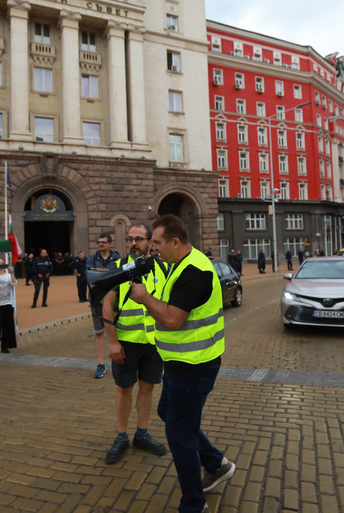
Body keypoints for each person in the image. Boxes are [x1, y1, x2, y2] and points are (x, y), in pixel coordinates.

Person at [128, 214, 235, 513]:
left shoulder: (193, 271)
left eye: (158, 243)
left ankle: (193, 504)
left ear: (175, 241)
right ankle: (217, 463)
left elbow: (174, 319)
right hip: (182, 364)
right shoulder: (180, 264)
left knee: (179, 434)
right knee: (170, 415)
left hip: (193, 367)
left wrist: (144, 298)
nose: (154, 249)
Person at [101, 223, 168, 464]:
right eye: (130, 239)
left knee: (148, 387)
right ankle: (121, 436)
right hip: (125, 343)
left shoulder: (161, 269)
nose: (132, 244)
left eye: (138, 239)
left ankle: (142, 433)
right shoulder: (118, 268)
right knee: (124, 388)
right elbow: (107, 306)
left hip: (153, 342)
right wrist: (112, 342)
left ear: (150, 243)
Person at [86, 233, 121, 379]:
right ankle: (100, 364)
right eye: (98, 242)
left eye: (103, 242)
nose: (100, 244)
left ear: (110, 244)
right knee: (99, 332)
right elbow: (90, 275)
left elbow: (119, 274)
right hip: (96, 300)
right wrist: (109, 273)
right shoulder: (91, 259)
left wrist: (100, 273)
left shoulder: (118, 258)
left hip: (115, 300)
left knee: (118, 331)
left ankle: (120, 359)